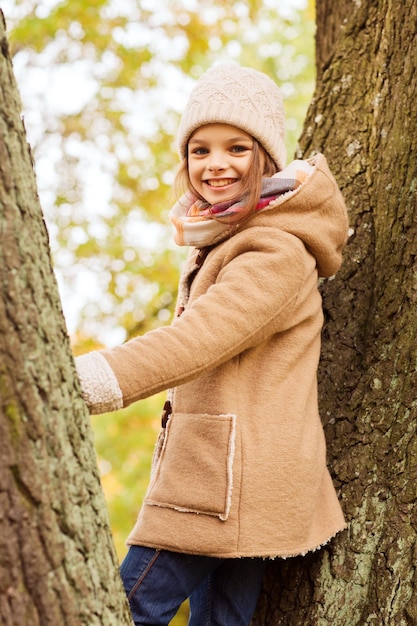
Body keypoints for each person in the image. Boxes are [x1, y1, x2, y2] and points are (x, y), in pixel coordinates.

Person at [76, 63, 349, 626]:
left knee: (124, 608)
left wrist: (87, 378)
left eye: (236, 148)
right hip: (231, 476)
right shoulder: (233, 239)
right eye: (200, 150)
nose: (215, 164)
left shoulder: (274, 251)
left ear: (267, 157)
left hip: (226, 482)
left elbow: (198, 340)